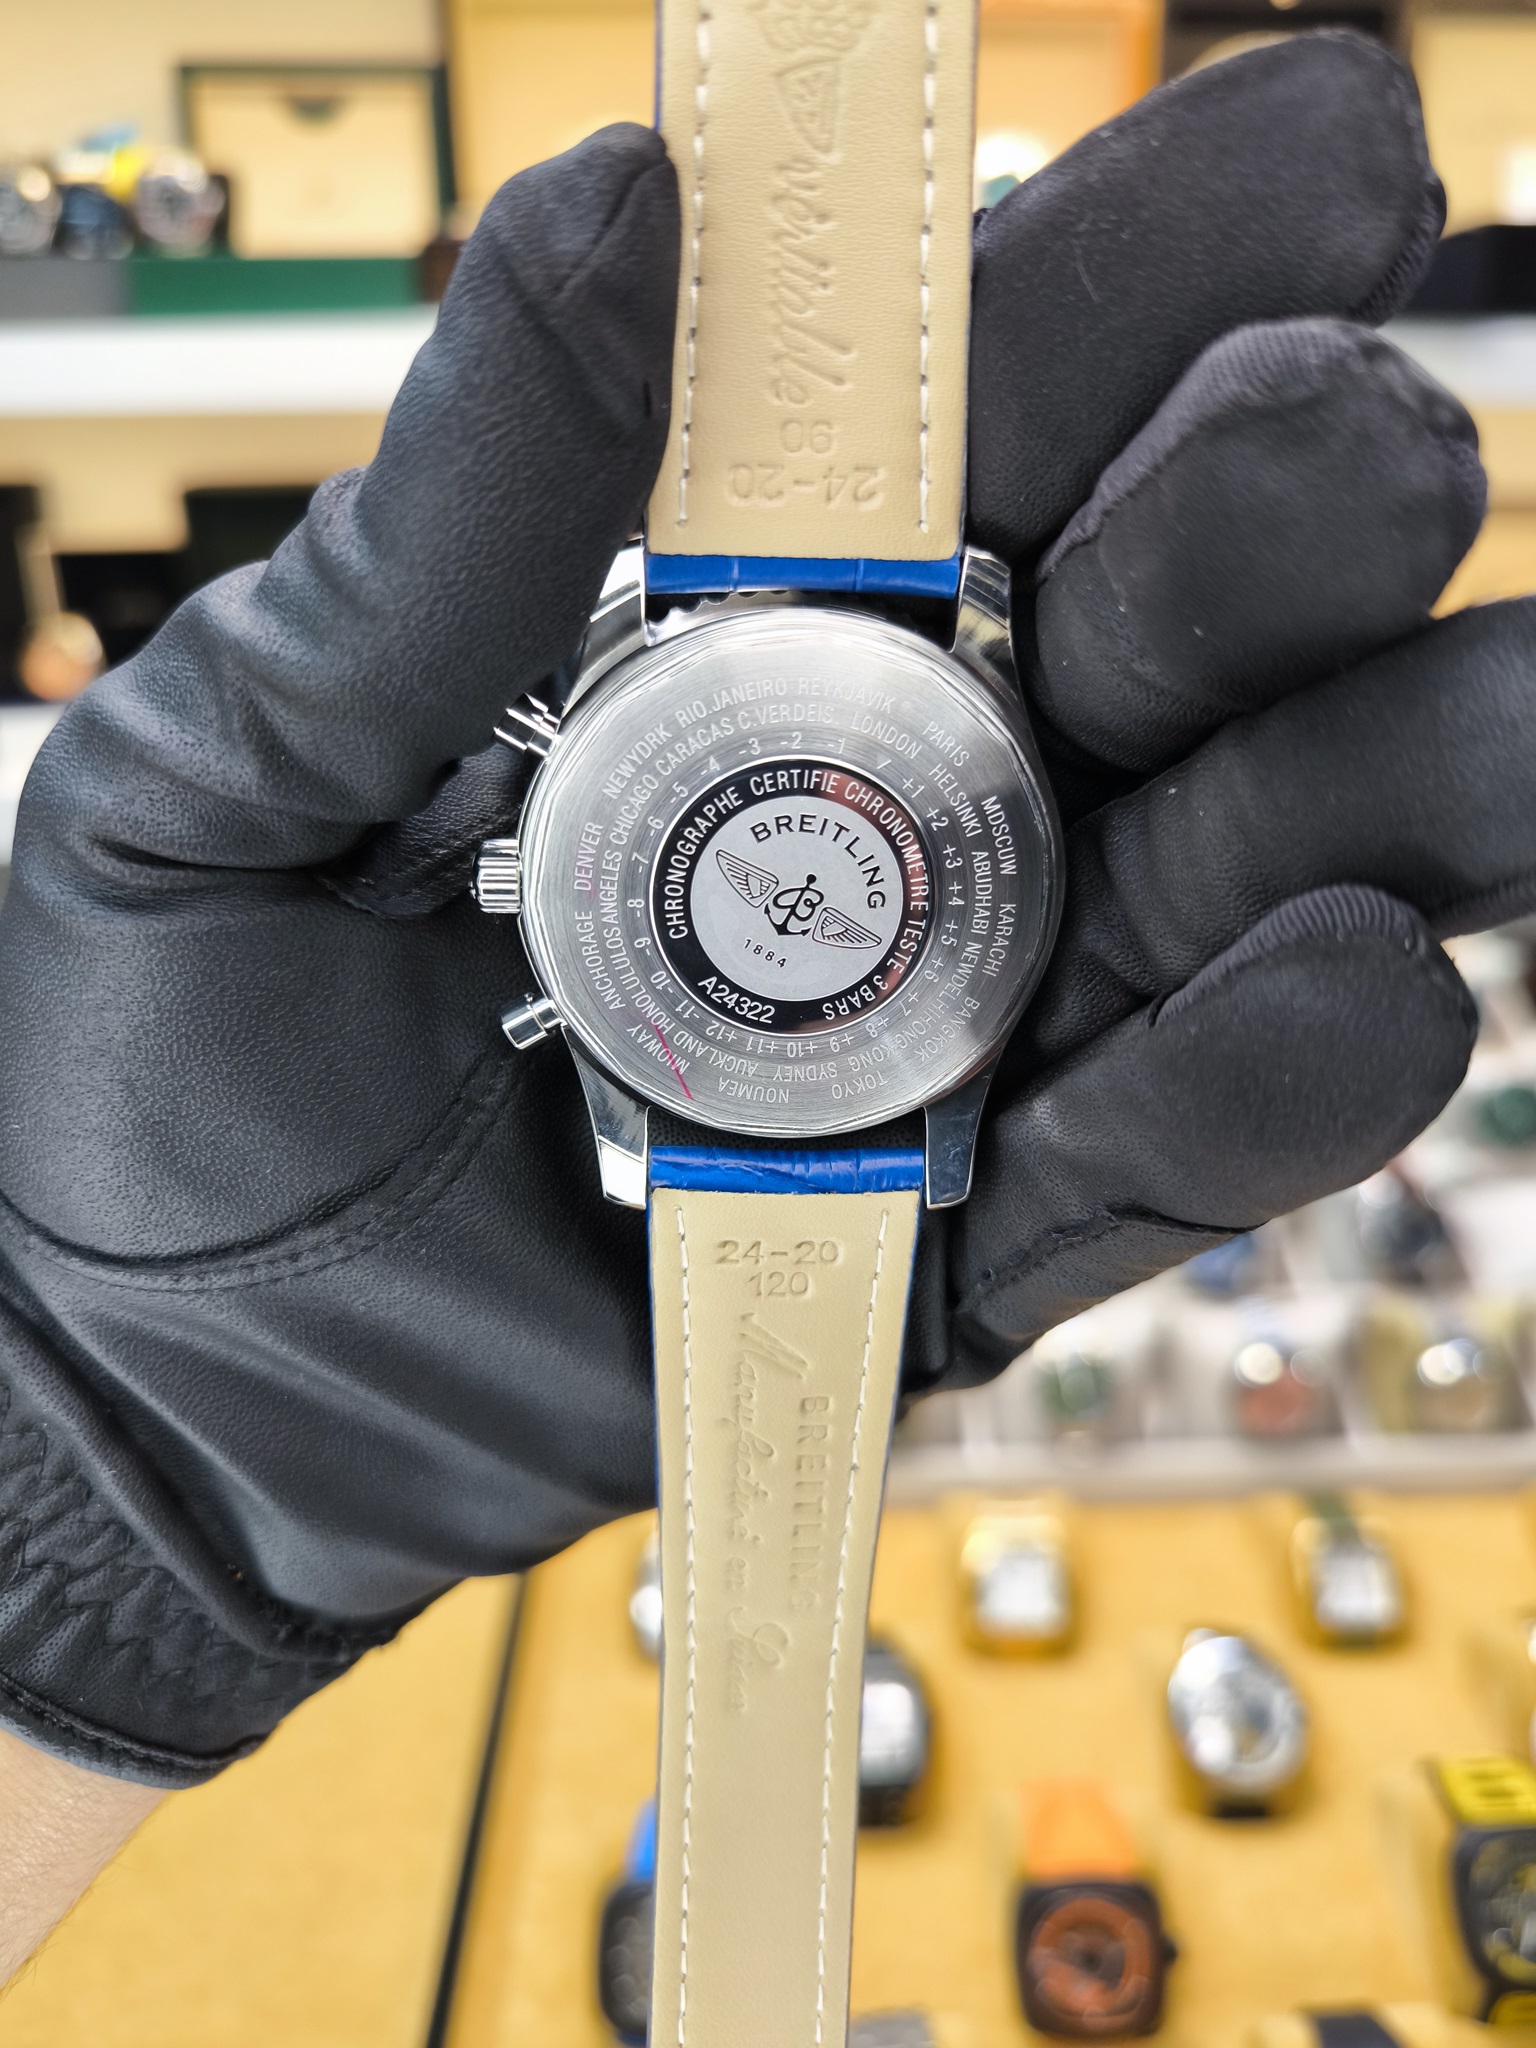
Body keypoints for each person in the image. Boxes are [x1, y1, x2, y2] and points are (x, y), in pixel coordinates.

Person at [0, 31, 1522, 1975]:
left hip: (863, 916)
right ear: (526, 847)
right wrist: (99, 1484)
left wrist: (93, 1510)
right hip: (791, 942)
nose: (796, 892)